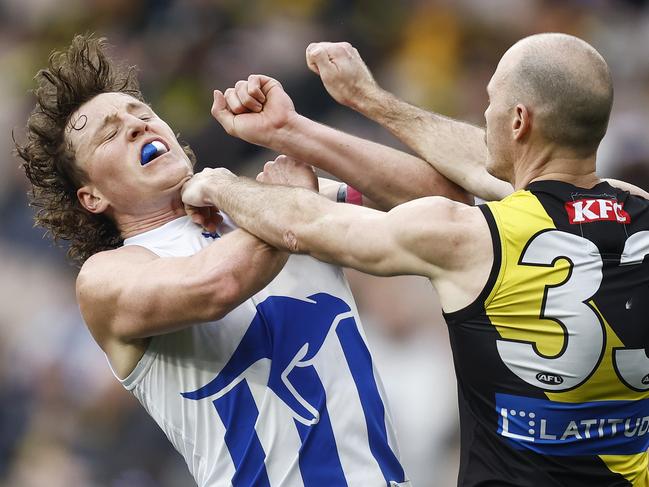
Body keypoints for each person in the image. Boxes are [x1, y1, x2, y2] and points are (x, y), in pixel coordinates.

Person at [182, 33, 649, 486]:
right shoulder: (638, 208)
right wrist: (351, 103)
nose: (483, 115)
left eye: (491, 102)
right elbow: (482, 164)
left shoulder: (471, 237)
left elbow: (306, 226)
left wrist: (219, 184)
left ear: (519, 121)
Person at [16, 34, 468, 487]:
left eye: (143, 114)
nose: (138, 126)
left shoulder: (270, 203)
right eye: (110, 133)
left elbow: (442, 199)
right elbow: (219, 286)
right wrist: (287, 201)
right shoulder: (108, 277)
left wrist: (293, 132)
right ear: (91, 197)